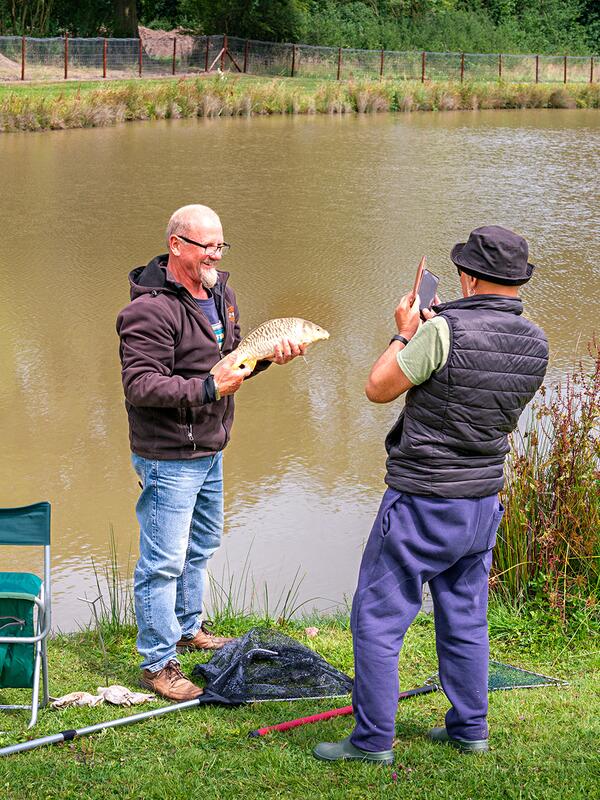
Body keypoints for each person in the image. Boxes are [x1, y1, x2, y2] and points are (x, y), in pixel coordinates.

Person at [313, 225, 549, 764]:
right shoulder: (535, 341)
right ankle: (471, 728)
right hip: (482, 502)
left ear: (468, 276)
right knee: (466, 617)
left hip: (424, 499)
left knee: (377, 616)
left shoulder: (442, 331)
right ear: (515, 281)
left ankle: (372, 741)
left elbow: (378, 388)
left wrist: (404, 333)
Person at [116, 204, 305, 701]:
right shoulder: (147, 310)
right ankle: (158, 663)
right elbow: (140, 385)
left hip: (212, 446)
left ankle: (187, 626)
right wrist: (205, 388)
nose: (216, 256)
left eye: (221, 245)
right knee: (162, 563)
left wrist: (267, 360)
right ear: (177, 244)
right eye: (206, 247)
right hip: (169, 455)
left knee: (200, 548)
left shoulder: (222, 293)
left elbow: (234, 365)